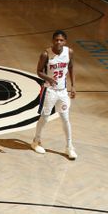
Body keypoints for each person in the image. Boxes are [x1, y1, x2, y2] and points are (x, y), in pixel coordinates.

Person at [31, 29, 77, 160]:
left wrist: (73, 86)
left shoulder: (69, 52)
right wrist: (49, 79)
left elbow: (72, 67)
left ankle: (69, 147)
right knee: (44, 117)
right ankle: (36, 141)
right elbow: (39, 71)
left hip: (62, 91)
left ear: (65, 41)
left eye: (61, 40)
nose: (59, 42)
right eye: (56, 39)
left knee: (65, 119)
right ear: (53, 41)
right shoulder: (45, 54)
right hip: (49, 91)